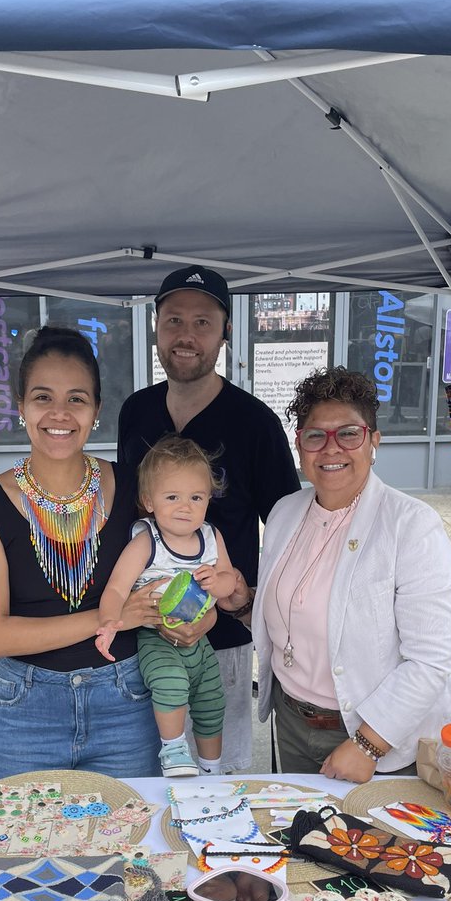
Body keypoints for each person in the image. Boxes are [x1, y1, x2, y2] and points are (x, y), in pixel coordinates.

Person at [219, 367, 451, 781]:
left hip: (376, 737)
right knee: (308, 839)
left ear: (374, 441)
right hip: (292, 721)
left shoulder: (410, 525)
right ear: (299, 445)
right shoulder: (286, 512)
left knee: (373, 843)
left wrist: (367, 744)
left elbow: (429, 660)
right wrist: (244, 604)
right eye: (315, 435)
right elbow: (297, 620)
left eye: (349, 434)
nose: (331, 448)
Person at [0, 325, 163, 781]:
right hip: (23, 712)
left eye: (76, 398)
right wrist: (111, 618)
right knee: (9, 850)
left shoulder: (134, 488)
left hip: (126, 706)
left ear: (96, 409)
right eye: (43, 397)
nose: (60, 413)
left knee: (132, 847)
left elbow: (179, 563)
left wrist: (196, 613)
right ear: (20, 407)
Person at [118, 266, 300, 772]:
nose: (186, 335)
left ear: (225, 333)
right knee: (150, 776)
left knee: (220, 776)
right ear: (155, 328)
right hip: (145, 638)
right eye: (174, 319)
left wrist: (248, 606)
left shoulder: (255, 422)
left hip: (220, 641)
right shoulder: (135, 412)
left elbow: (288, 532)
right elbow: (128, 520)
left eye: (203, 322)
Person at [95, 435, 236, 779]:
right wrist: (110, 621)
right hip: (156, 638)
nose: (185, 507)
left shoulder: (210, 536)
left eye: (196, 497)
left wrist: (218, 583)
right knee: (170, 683)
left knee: (212, 700)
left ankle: (211, 769)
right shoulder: (148, 541)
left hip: (199, 640)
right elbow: (116, 588)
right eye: (172, 497)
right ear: (149, 500)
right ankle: (173, 749)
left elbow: (229, 579)